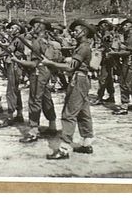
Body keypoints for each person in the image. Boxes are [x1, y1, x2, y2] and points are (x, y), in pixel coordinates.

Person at [42, 19, 95, 159]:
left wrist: (51, 63)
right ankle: (87, 143)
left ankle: (64, 148)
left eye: (76, 30)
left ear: (84, 32)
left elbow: (71, 67)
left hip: (78, 80)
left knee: (68, 113)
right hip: (82, 80)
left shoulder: (83, 47)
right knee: (83, 112)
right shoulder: (82, 46)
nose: (73, 33)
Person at [11, 18, 58, 143]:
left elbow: (34, 64)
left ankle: (33, 130)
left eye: (35, 25)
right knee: (46, 98)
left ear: (40, 27)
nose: (33, 28)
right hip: (46, 72)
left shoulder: (37, 42)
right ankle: (52, 125)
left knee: (34, 100)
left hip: (38, 73)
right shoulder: (47, 41)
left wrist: (18, 61)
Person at [109, 19, 132, 115]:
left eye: (126, 25)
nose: (124, 27)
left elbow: (128, 51)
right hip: (131, 61)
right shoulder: (129, 37)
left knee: (124, 82)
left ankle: (124, 106)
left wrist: (115, 53)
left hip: (129, 61)